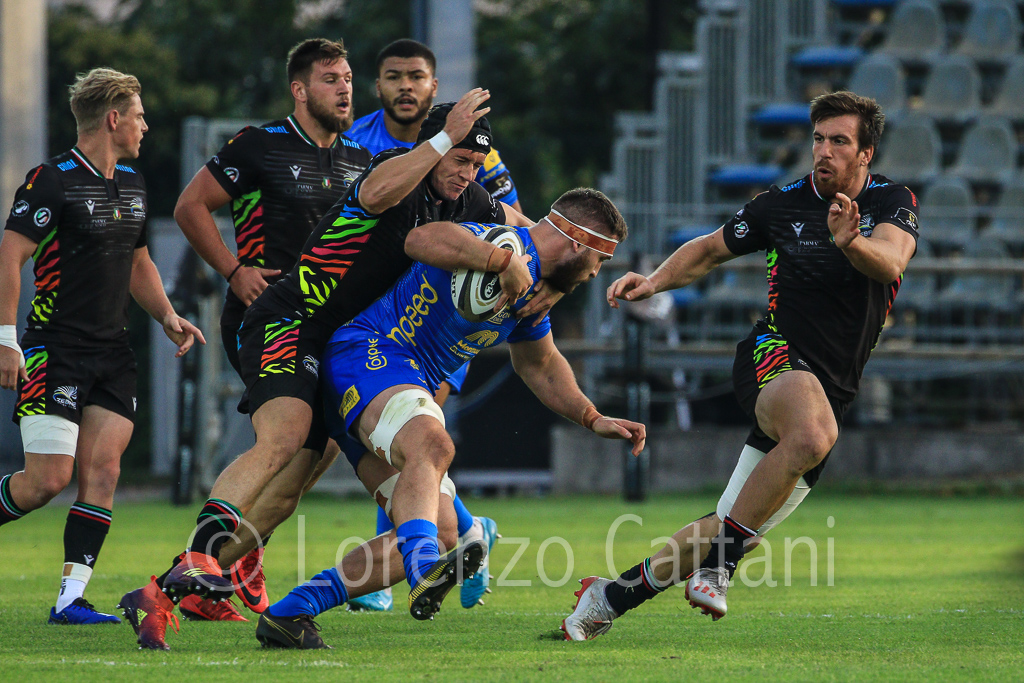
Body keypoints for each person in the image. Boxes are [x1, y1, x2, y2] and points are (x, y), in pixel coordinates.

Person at [118, 91, 538, 651]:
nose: (466, 173)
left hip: (342, 347)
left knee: (289, 491)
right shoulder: (392, 168)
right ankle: (199, 556)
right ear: (434, 148)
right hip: (292, 319)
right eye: (458, 159)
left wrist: (555, 255)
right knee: (284, 436)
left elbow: (530, 230)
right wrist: (442, 141)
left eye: (474, 164)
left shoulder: (465, 196)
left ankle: (162, 594)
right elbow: (382, 196)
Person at [561, 91, 919, 640]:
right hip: (773, 354)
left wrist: (850, 243)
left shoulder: (893, 202)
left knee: (728, 525)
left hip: (832, 388)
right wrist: (654, 281)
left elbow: (891, 261)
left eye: (839, 141)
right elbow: (709, 250)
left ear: (866, 153)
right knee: (811, 436)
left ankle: (607, 598)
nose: (824, 151)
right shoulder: (781, 204)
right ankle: (717, 570)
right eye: (818, 139)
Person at [254, 188, 646, 648]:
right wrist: (500, 261)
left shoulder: (536, 291)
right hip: (369, 352)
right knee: (433, 445)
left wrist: (591, 416)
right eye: (600, 258)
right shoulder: (499, 243)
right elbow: (421, 238)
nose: (597, 272)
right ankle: (424, 569)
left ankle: (291, 612)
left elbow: (539, 364)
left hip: (395, 386)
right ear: (577, 242)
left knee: (440, 533)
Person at [169, 38, 371, 623]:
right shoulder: (259, 145)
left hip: (333, 327)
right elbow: (190, 206)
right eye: (331, 79)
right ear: (299, 90)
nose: (344, 88)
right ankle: (199, 565)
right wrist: (235, 271)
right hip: (270, 318)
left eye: (348, 78)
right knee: (283, 439)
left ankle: (223, 566)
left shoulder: (361, 160)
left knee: (309, 462)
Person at [0, 68, 204, 625]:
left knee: (104, 473)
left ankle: (70, 599)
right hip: (55, 351)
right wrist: (6, 340)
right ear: (113, 119)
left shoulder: (134, 182)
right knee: (46, 481)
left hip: (112, 353)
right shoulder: (51, 180)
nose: (145, 125)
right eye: (139, 115)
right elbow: (10, 255)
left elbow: (139, 263)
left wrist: (166, 315)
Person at [345, 37, 522, 613]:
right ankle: (466, 531)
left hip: (434, 323)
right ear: (378, 84)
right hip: (364, 322)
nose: (405, 86)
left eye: (415, 76)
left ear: (433, 86)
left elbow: (516, 226)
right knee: (396, 444)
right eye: (394, 75)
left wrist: (537, 260)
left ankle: (395, 569)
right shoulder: (360, 144)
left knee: (414, 439)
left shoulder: (475, 159)